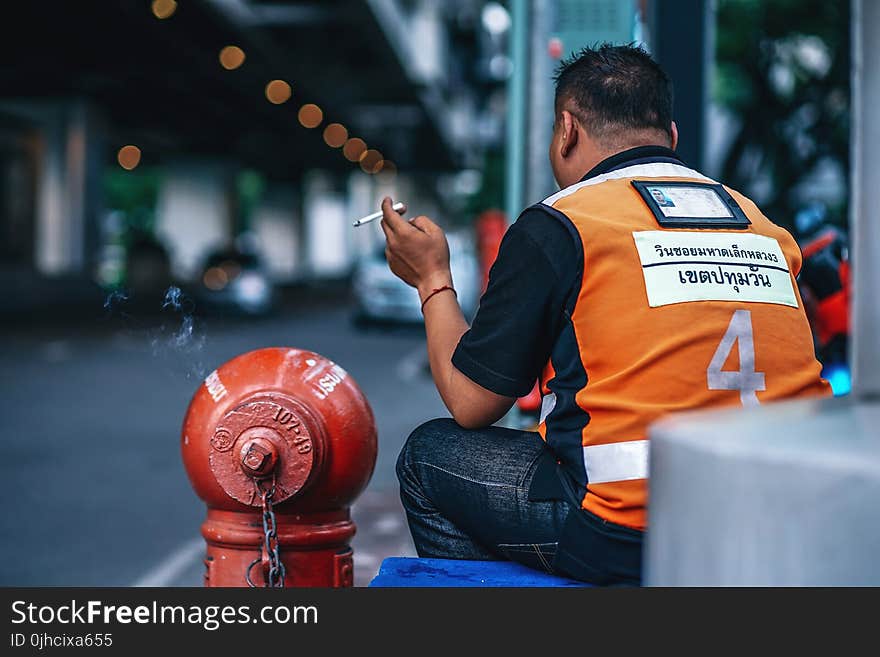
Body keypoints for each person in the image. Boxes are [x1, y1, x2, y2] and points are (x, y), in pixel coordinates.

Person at [379, 43, 831, 586]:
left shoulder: (563, 223)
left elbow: (473, 402)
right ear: (672, 136)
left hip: (629, 532)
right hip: (788, 515)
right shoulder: (764, 227)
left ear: (566, 130)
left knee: (429, 456)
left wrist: (432, 277)